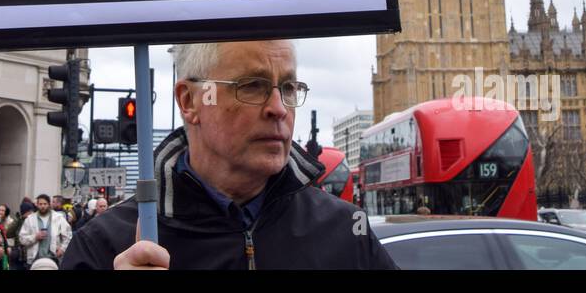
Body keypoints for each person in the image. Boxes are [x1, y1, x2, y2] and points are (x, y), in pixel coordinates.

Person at [62, 39, 397, 270]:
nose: (279, 109)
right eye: (252, 86)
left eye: (290, 88)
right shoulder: (106, 245)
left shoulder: (345, 231)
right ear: (190, 101)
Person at [19, 194, 72, 265]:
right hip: (34, 260)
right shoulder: (30, 219)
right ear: (37, 205)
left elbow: (68, 235)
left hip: (53, 258)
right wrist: (35, 237)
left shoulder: (58, 218)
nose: (43, 206)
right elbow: (22, 239)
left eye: (45, 204)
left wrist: (62, 249)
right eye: (40, 204)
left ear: (49, 204)